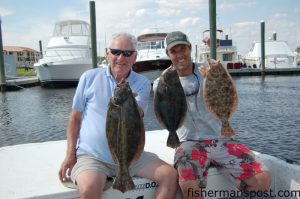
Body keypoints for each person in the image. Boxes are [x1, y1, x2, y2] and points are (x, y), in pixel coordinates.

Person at [153, 31, 272, 199]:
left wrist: (216, 76)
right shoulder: (162, 82)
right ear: (168, 54)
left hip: (220, 137)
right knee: (189, 185)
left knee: (263, 178)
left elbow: (227, 92)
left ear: (190, 49)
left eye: (183, 49)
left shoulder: (209, 70)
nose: (180, 55)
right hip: (189, 143)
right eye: (174, 51)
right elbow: (163, 111)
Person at [58, 32, 178, 199]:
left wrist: (130, 101)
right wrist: (70, 155)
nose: (121, 57)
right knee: (90, 189)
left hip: (130, 155)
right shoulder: (88, 78)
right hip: (94, 156)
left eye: (128, 53)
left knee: (170, 176)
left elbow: (139, 114)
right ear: (107, 53)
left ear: (135, 57)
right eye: (116, 52)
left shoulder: (142, 83)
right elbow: (75, 118)